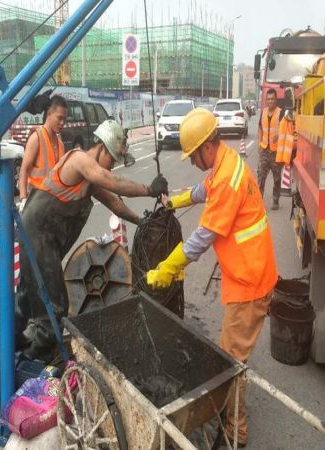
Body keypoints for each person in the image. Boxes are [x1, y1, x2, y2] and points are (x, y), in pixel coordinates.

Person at [147, 108, 277, 447]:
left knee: (231, 360)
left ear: (207, 146)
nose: (191, 161)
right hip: (246, 273)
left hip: (250, 280)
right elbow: (204, 188)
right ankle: (227, 417)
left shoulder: (228, 181)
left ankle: (236, 433)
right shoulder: (225, 161)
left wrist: (169, 266)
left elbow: (202, 236)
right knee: (228, 352)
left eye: (192, 155)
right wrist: (176, 200)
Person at [16, 119, 167, 361]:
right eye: (112, 160)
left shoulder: (90, 180)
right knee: (56, 305)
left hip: (44, 238)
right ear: (103, 147)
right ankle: (37, 357)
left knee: (26, 292)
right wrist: (149, 189)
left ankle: (14, 340)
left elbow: (114, 202)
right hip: (37, 233)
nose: (112, 167)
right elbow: (111, 181)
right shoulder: (80, 160)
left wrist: (140, 221)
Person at [18, 95, 68, 208]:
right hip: (35, 203)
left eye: (65, 119)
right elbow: (24, 171)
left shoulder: (60, 143)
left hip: (52, 204)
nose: (62, 123)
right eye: (59, 118)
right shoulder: (37, 137)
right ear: (49, 114)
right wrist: (23, 199)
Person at [257, 88, 285, 210]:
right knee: (260, 176)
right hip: (264, 150)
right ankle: (258, 201)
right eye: (268, 99)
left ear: (276, 99)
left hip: (276, 151)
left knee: (277, 178)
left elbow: (286, 129)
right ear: (266, 100)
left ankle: (275, 200)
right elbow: (259, 128)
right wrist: (259, 143)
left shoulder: (281, 113)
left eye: (272, 99)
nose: (270, 101)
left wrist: (278, 136)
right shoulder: (263, 112)